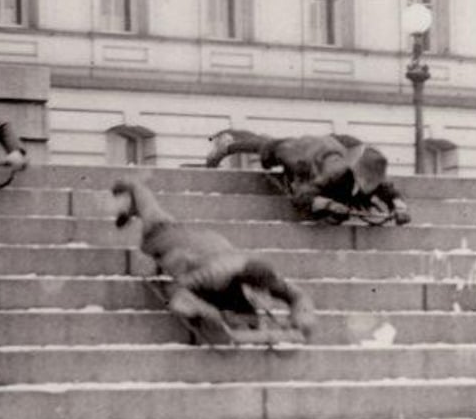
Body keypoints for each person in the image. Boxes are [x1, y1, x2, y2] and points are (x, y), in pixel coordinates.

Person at [111, 179, 316, 338]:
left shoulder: (255, 271)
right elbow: (178, 295)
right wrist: (209, 313)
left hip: (209, 247)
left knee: (236, 304)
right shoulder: (212, 273)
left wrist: (302, 315)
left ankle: (131, 204)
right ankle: (132, 191)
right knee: (155, 219)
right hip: (175, 244)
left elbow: (297, 296)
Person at [204, 129, 410, 225]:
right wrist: (329, 205)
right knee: (270, 146)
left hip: (331, 148)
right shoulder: (334, 175)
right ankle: (228, 146)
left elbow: (390, 191)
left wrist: (400, 208)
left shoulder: (373, 174)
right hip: (305, 154)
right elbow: (303, 195)